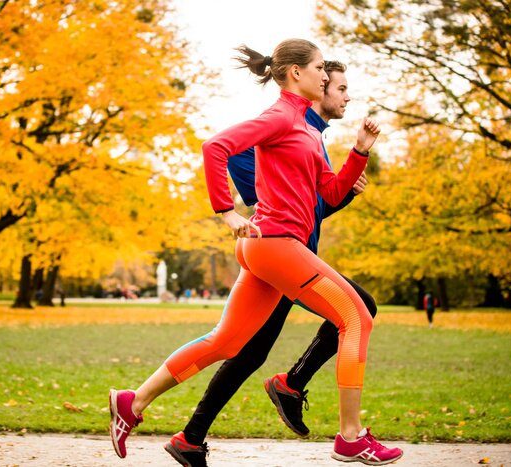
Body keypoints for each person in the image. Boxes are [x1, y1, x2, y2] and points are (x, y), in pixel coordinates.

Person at [109, 39, 402, 465]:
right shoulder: (280, 116)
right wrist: (226, 212)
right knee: (356, 317)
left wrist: (359, 152)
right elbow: (216, 147)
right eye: (321, 68)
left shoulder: (305, 127)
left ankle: (132, 403)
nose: (326, 75)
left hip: (270, 248)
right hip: (276, 243)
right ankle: (351, 436)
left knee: (227, 342)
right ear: (295, 73)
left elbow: (330, 191)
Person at [163, 59, 378, 467]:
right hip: (276, 256)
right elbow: (268, 204)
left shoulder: (313, 138)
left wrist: (344, 188)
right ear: (319, 86)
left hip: (297, 255)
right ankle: (287, 389)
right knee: (350, 313)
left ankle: (193, 438)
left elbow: (313, 208)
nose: (346, 96)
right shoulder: (277, 131)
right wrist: (227, 210)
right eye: (339, 87)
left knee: (249, 351)